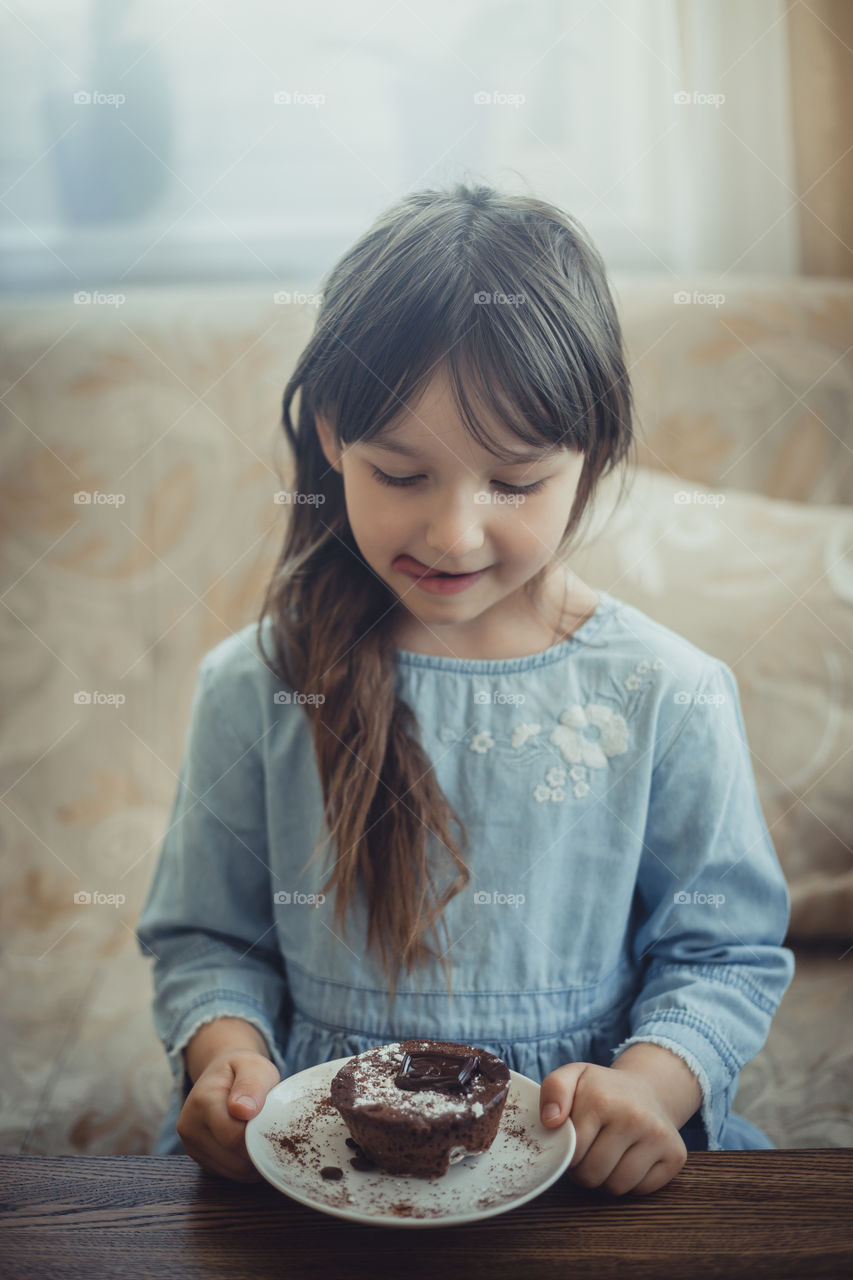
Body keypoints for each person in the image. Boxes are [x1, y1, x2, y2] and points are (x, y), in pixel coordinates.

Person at [135, 181, 794, 1196]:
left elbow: (721, 950)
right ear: (328, 437)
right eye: (400, 474)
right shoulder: (257, 684)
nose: (452, 532)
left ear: (593, 457)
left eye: (516, 482)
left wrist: (653, 1087)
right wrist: (226, 1057)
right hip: (324, 1163)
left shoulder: (667, 690)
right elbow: (207, 935)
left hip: (575, 1165)